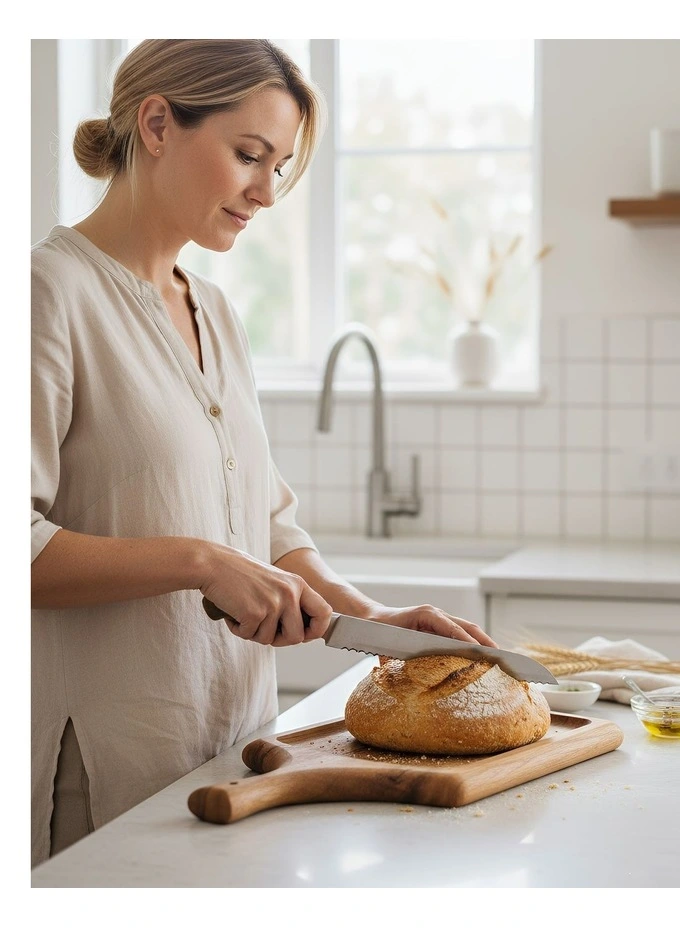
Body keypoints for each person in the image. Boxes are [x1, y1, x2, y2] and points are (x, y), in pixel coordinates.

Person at [31, 39, 496, 868]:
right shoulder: (44, 297)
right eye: (250, 155)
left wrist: (374, 620)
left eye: (279, 165)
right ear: (158, 123)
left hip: (235, 753)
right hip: (108, 764)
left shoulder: (213, 309)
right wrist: (201, 561)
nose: (268, 191)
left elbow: (268, 521)